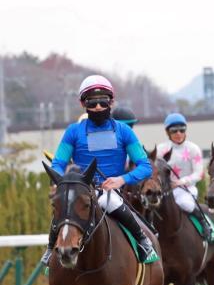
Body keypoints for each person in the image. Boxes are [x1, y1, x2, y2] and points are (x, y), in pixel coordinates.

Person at [43, 75, 156, 264]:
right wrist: (64, 184)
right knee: (64, 206)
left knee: (110, 203)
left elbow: (146, 166)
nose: (97, 107)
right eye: (92, 102)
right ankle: (50, 248)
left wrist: (121, 180)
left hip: (110, 190)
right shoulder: (73, 131)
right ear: (82, 103)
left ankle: (143, 241)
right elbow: (57, 164)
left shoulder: (124, 131)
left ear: (111, 101)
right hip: (83, 189)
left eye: (103, 101)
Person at [157, 113, 214, 243]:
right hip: (165, 190)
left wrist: (181, 182)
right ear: (168, 132)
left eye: (181, 130)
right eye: (174, 131)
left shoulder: (193, 148)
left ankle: (204, 222)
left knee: (184, 203)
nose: (178, 133)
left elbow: (198, 173)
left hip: (186, 189)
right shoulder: (161, 150)